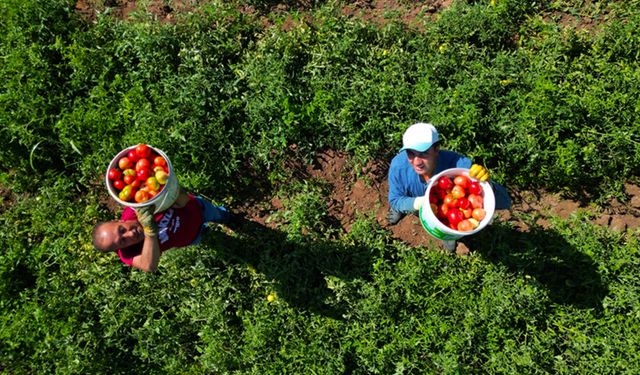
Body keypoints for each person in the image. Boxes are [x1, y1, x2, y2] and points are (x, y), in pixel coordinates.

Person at [387, 123, 511, 251]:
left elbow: (505, 201)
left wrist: (488, 184)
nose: (417, 161)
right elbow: (395, 199)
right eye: (411, 154)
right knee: (401, 203)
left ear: (436, 149)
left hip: (446, 214)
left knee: (447, 224)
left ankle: (449, 234)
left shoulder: (458, 165)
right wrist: (419, 202)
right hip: (417, 202)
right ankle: (402, 210)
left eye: (423, 153)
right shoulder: (399, 166)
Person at [93, 187, 240, 272]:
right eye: (123, 241)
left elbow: (180, 199)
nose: (131, 234)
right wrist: (150, 232)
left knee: (217, 214)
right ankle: (207, 232)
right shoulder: (128, 254)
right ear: (119, 249)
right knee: (202, 236)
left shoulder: (136, 207)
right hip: (190, 236)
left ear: (118, 220)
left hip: (197, 209)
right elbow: (150, 266)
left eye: (121, 230)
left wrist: (173, 193)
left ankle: (227, 218)